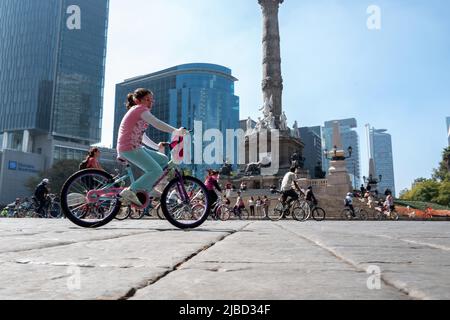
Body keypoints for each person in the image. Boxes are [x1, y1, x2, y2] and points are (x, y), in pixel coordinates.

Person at [116, 88, 186, 206]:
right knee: (156, 170)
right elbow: (157, 123)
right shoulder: (139, 109)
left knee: (163, 159)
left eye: (152, 100)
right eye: (147, 99)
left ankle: (146, 186)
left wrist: (156, 147)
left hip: (134, 146)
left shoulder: (139, 112)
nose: (150, 102)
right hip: (129, 147)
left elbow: (143, 137)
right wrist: (176, 131)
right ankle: (130, 191)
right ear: (137, 100)